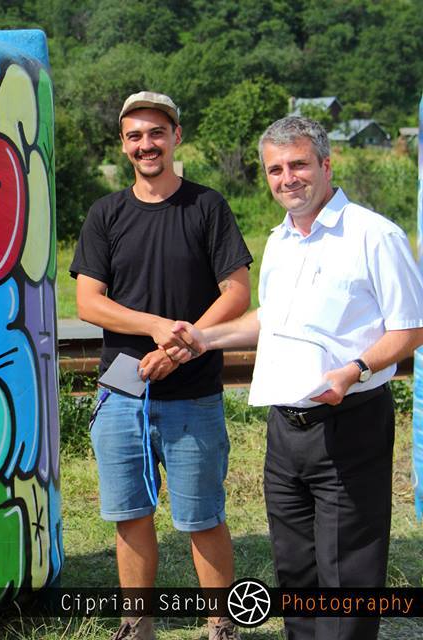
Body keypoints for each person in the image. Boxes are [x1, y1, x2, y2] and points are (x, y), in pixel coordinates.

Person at [170, 116, 423, 640]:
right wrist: (204, 337)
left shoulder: (374, 235)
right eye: (275, 169)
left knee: (347, 573)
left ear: (326, 165)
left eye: (299, 164)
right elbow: (272, 319)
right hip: (285, 429)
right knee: (296, 569)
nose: (287, 178)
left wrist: (355, 370)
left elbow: (411, 327)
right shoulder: (280, 243)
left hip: (349, 421)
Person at [69, 91, 252, 640]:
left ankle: (221, 624)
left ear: (176, 137)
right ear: (123, 145)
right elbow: (88, 303)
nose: (146, 145)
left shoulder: (207, 206)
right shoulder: (106, 214)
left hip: (193, 387)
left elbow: (236, 292)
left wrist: (181, 347)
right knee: (130, 513)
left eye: (156, 133)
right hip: (122, 387)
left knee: (202, 517)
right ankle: (137, 625)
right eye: (135, 136)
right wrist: (154, 326)